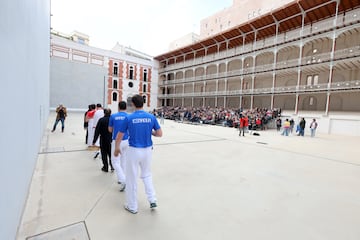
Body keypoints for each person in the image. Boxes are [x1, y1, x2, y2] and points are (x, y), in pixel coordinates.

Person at [114, 94, 163, 214]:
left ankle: (133, 206)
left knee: (131, 178)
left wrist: (116, 147)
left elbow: (119, 135)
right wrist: (150, 132)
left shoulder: (129, 118)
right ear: (143, 103)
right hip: (147, 151)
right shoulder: (151, 117)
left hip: (134, 150)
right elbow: (159, 133)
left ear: (133, 104)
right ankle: (152, 199)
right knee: (146, 174)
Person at [108, 101, 129, 191]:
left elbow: (110, 129)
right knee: (123, 160)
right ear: (126, 107)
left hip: (117, 141)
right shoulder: (128, 116)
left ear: (118, 107)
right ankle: (122, 179)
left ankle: (123, 180)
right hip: (126, 140)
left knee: (115, 161)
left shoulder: (113, 116)